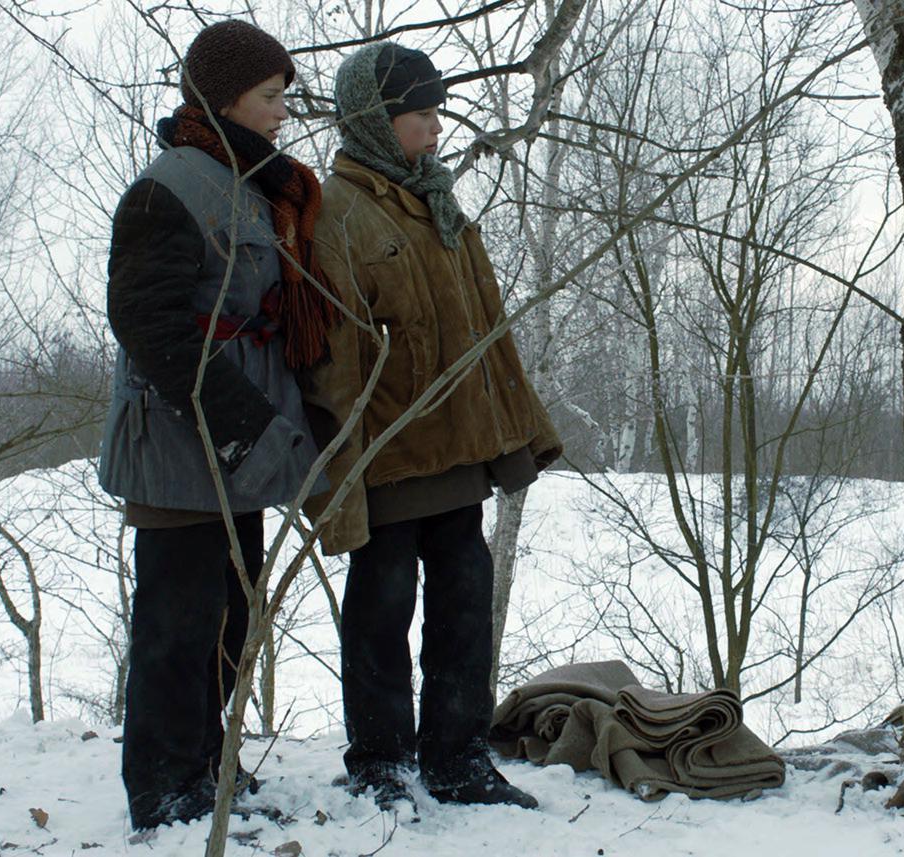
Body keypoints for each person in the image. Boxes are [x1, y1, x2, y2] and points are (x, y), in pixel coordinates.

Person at [302, 42, 563, 810]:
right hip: (388, 453)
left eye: (436, 112)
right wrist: (341, 465)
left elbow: (482, 328)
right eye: (421, 114)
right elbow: (336, 359)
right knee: (381, 611)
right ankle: (380, 762)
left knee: (463, 605)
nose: (436, 128)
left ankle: (458, 759)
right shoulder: (337, 211)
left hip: (458, 451)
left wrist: (510, 430)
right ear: (377, 120)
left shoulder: (435, 199)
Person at [95, 19, 335, 830]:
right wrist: (235, 424)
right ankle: (163, 787)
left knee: (229, 614)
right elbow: (145, 320)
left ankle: (204, 761)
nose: (280, 114)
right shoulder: (169, 187)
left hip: (239, 452)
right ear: (227, 97)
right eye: (271, 97)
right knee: (178, 623)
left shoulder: (251, 188)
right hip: (180, 446)